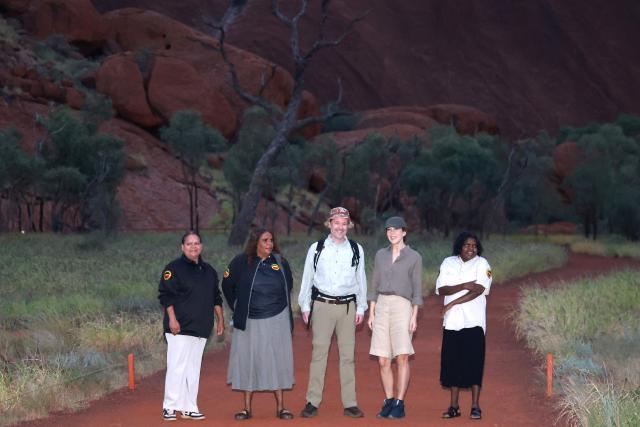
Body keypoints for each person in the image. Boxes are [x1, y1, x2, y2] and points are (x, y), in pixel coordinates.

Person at [298, 207, 367, 418]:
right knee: (319, 354)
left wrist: (361, 306)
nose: (340, 227)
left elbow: (360, 279)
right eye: (336, 222)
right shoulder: (317, 248)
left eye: (344, 223)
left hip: (348, 308)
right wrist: (305, 306)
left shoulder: (356, 249)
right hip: (322, 305)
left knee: (347, 356)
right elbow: (307, 278)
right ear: (329, 224)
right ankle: (312, 401)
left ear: (348, 226)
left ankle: (350, 403)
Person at [222, 228, 295, 420]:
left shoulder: (280, 261)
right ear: (256, 242)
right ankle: (246, 409)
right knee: (249, 359)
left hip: (277, 318)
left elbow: (289, 284)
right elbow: (227, 285)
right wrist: (238, 306)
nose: (269, 244)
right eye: (265, 240)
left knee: (277, 360)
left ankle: (281, 408)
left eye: (271, 240)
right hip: (250, 321)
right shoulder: (241, 261)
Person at [158, 231, 225, 422]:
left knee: (193, 369)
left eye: (196, 243)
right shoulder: (173, 268)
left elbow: (216, 297)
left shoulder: (209, 271)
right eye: (189, 244)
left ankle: (189, 407)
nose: (193, 247)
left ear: (201, 246)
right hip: (179, 327)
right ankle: (169, 407)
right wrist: (172, 320)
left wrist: (220, 320)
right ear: (182, 247)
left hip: (201, 328)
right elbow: (166, 295)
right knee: (176, 367)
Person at [367, 216, 423, 419]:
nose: (392, 233)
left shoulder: (414, 257)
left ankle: (399, 402)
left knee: (401, 356)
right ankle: (389, 400)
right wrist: (371, 311)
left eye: (397, 229)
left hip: (403, 306)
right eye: (389, 229)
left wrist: (414, 316)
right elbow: (374, 284)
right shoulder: (380, 255)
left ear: (404, 232)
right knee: (383, 359)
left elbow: (417, 289)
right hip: (382, 304)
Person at [435, 231, 492, 421]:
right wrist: (464, 285)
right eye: (467, 245)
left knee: (474, 364)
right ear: (459, 245)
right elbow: (441, 288)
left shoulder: (482, 264)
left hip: (474, 321)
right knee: (452, 365)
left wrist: (451, 303)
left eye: (474, 246)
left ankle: (475, 406)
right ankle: (454, 406)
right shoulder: (448, 262)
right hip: (452, 323)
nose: (471, 249)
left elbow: (479, 290)